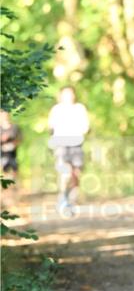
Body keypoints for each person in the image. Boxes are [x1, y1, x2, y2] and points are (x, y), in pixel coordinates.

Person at [47, 86, 90, 217]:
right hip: (61, 145)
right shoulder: (56, 110)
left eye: (70, 93)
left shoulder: (80, 108)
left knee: (76, 174)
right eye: (66, 94)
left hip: (77, 144)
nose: (69, 96)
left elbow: (86, 126)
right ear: (61, 96)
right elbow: (51, 127)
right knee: (65, 173)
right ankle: (63, 200)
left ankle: (71, 200)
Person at [0, 110, 22, 183]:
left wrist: (13, 143)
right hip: (2, 154)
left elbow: (20, 139)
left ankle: (14, 187)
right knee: (4, 169)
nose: (4, 117)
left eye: (6, 115)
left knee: (15, 169)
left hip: (13, 153)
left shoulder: (15, 127)